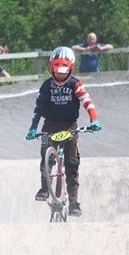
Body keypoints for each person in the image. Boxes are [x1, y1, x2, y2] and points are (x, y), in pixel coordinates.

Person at [26, 46, 102, 217]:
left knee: (72, 162)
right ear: (51, 67)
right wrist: (33, 128)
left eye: (63, 72)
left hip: (69, 126)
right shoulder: (46, 86)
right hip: (50, 125)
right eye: (56, 71)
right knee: (46, 156)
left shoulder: (75, 84)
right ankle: (45, 189)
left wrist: (94, 119)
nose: (60, 75)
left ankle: (74, 202)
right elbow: (38, 109)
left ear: (71, 69)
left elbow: (86, 101)